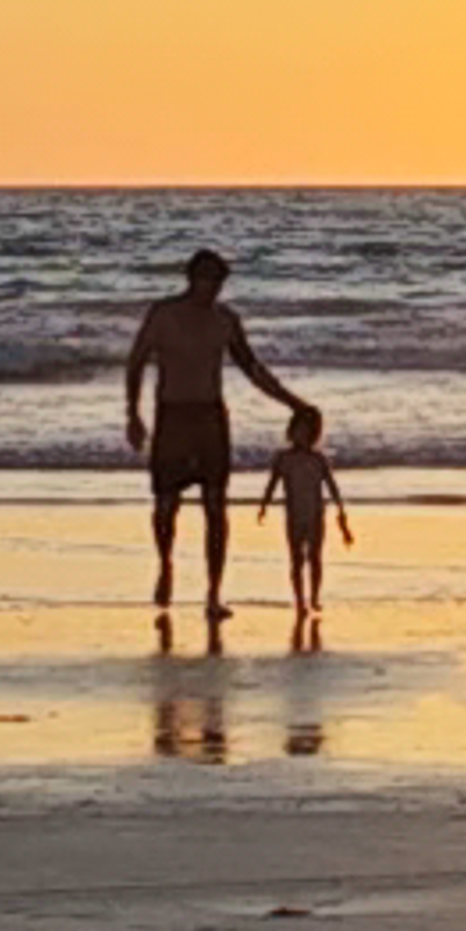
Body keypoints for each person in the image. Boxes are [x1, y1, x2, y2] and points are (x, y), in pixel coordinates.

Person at [122, 248, 304, 632]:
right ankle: (165, 564)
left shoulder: (225, 320)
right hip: (173, 415)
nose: (212, 289)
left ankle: (213, 593)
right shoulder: (163, 314)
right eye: (207, 280)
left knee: (216, 507)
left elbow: (253, 369)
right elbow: (136, 362)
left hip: (210, 417)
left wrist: (293, 402)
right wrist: (133, 414)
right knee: (166, 504)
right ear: (192, 279)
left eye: (218, 283)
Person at [263, 396, 352, 640]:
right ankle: (299, 600)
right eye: (298, 430)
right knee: (296, 559)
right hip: (293, 515)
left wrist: (342, 513)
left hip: (316, 515)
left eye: (307, 431)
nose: (302, 435)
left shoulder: (318, 459)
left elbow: (332, 487)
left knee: (315, 558)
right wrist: (264, 505)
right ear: (291, 431)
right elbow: (272, 483)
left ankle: (314, 597)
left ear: (314, 434)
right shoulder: (283, 459)